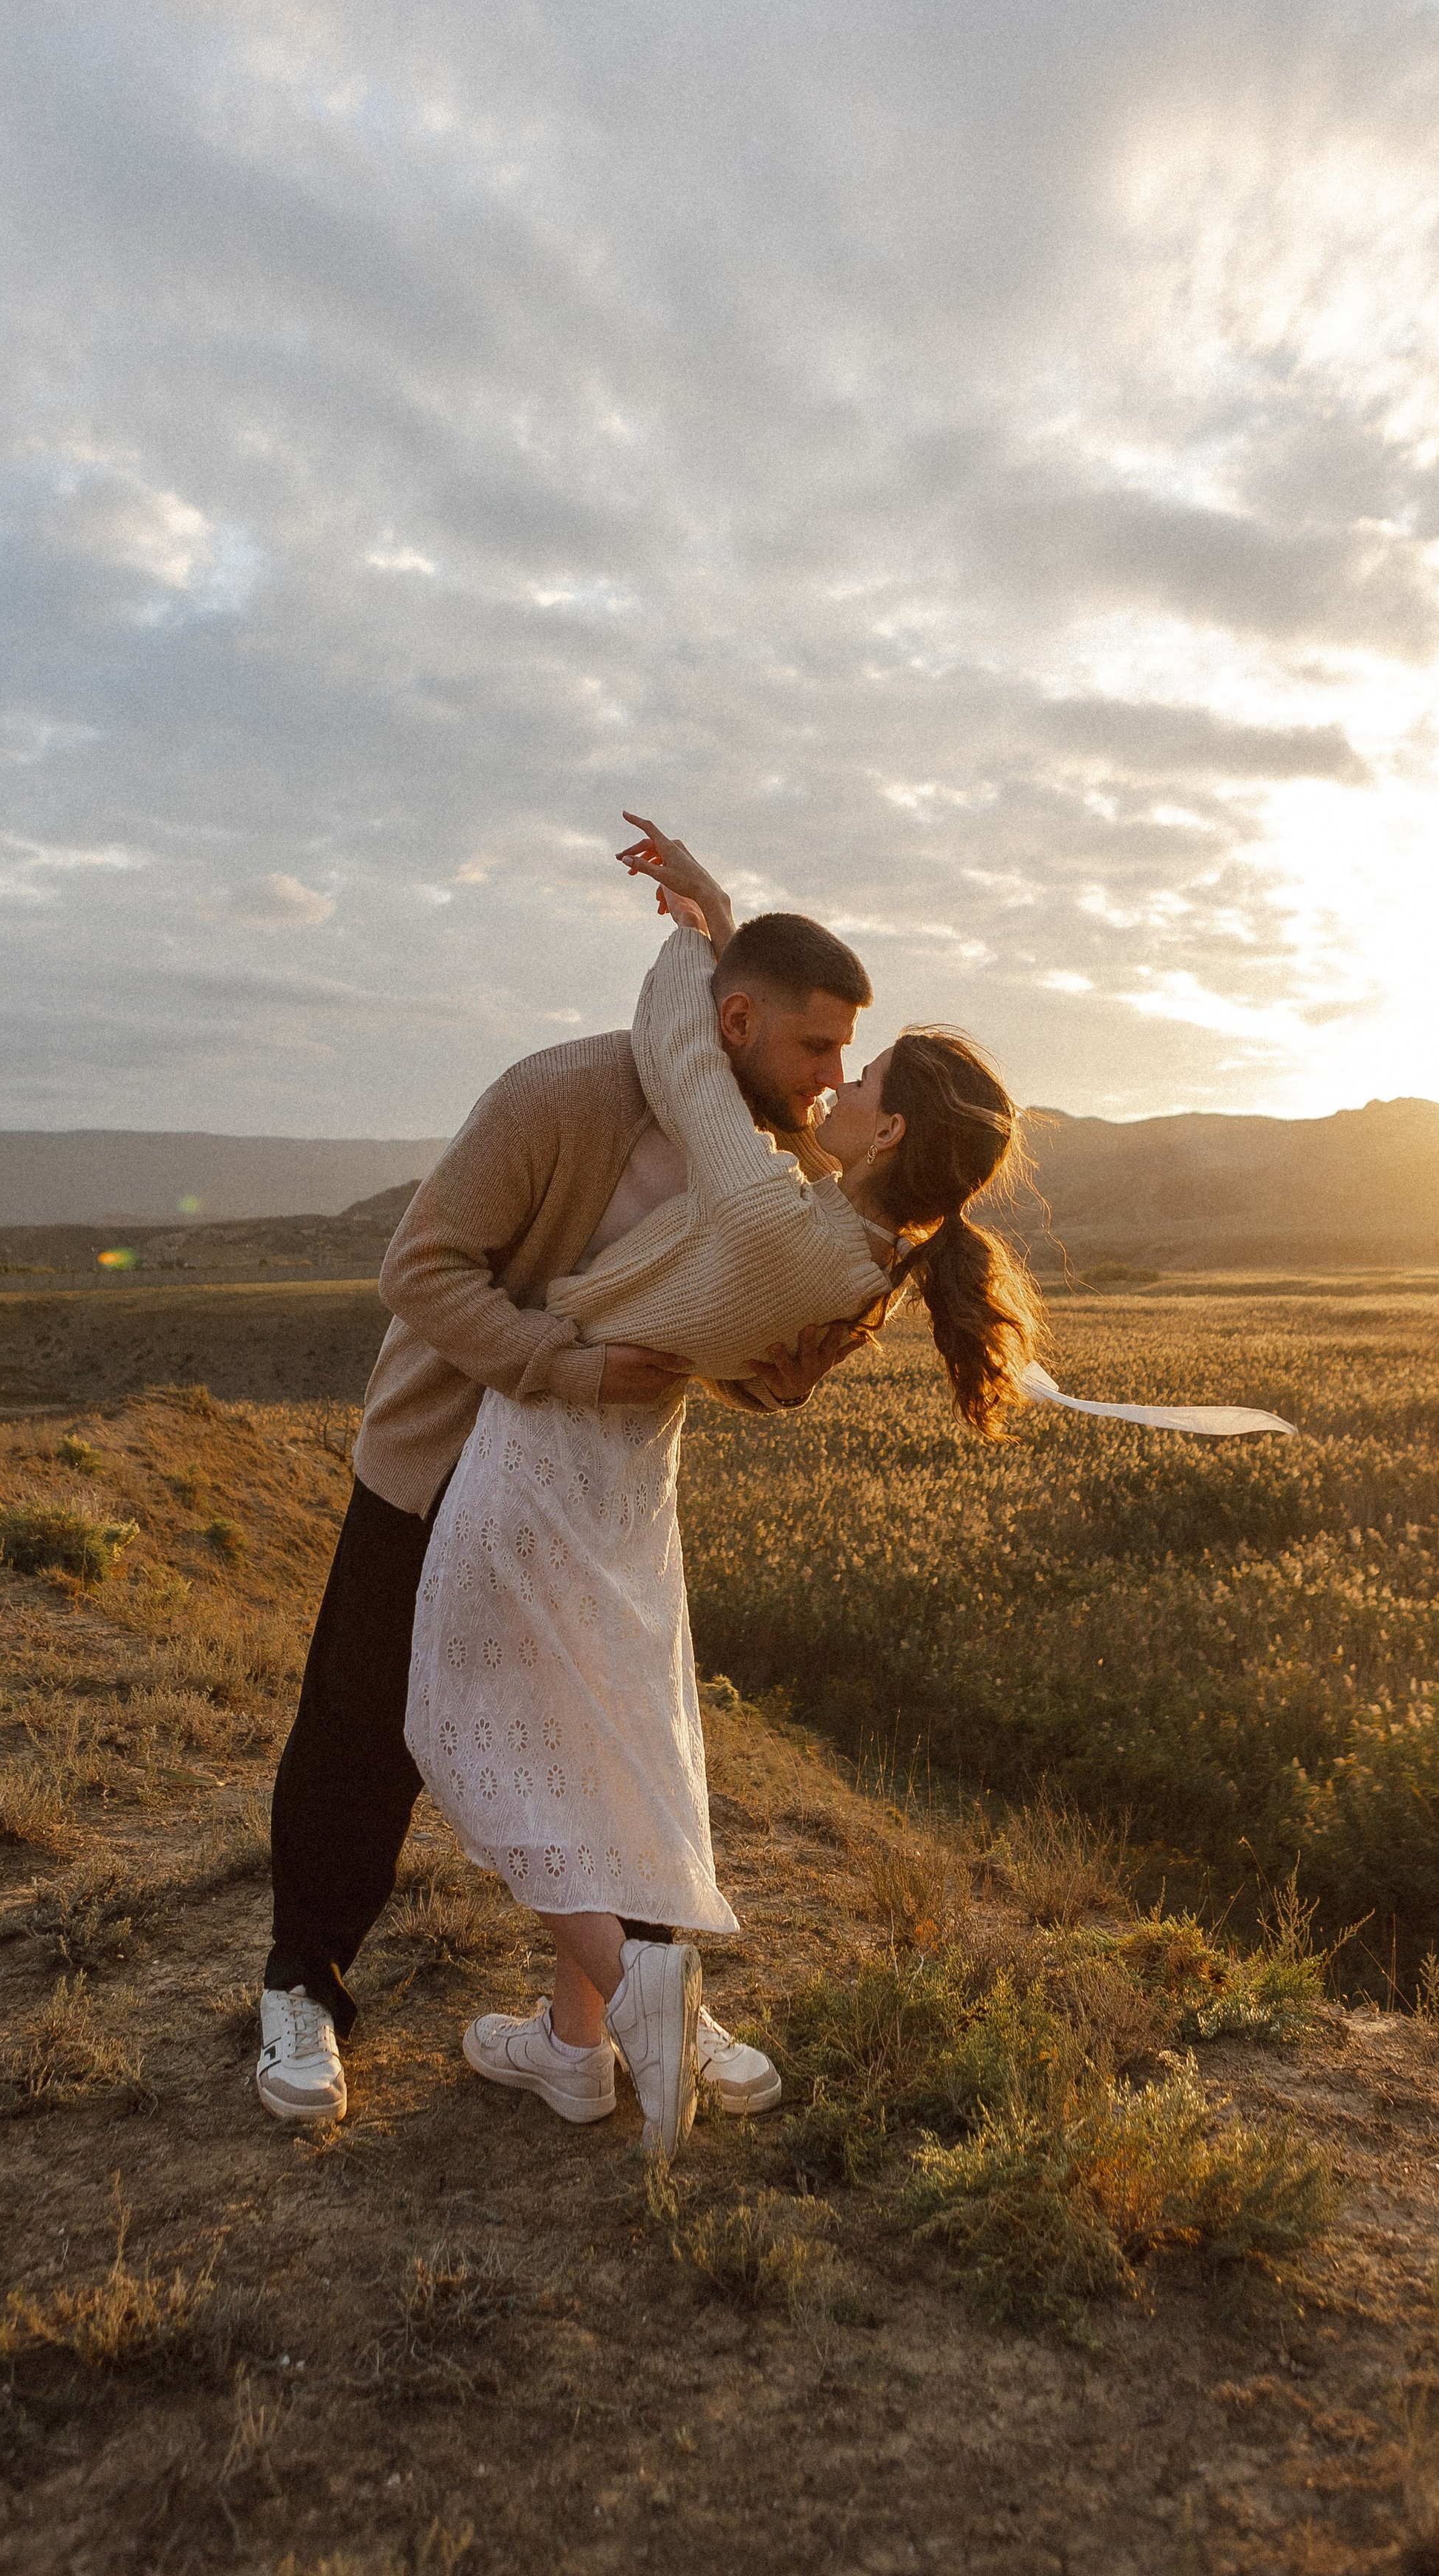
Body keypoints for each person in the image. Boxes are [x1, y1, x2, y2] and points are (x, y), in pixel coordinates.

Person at [402, 820, 1040, 2155]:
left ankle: (636, 1985)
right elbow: (777, 1175)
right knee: (593, 1759)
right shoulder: (866, 1253)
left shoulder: (771, 1208)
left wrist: (704, 929)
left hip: (539, 1456)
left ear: (894, 1128)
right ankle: (573, 2056)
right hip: (638, 1488)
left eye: (852, 1074)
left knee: (457, 1734)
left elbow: (688, 1049)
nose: (832, 1089)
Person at [255, 843, 876, 2130]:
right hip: (437, 1461)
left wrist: (785, 1376)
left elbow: (713, 1352)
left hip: (587, 1501)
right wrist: (570, 1367)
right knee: (365, 1731)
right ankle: (301, 1989)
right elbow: (418, 1272)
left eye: (847, 1059)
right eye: (817, 1049)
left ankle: (630, 2019)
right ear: (737, 1020)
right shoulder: (559, 1096)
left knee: (608, 1748)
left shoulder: (775, 1168)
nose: (830, 1084)